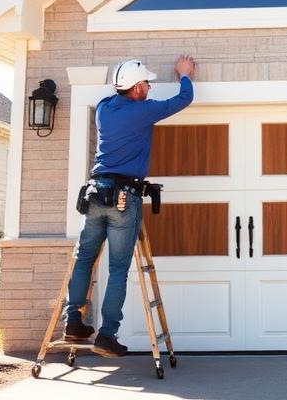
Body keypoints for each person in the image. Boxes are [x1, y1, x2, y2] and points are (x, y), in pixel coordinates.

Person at [63, 54, 195, 357]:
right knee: (119, 267)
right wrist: (184, 74)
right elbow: (182, 99)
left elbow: (119, 93)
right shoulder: (143, 111)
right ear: (135, 88)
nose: (149, 86)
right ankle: (106, 335)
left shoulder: (104, 109)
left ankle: (73, 321)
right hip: (123, 196)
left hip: (96, 193)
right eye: (145, 83)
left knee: (84, 259)